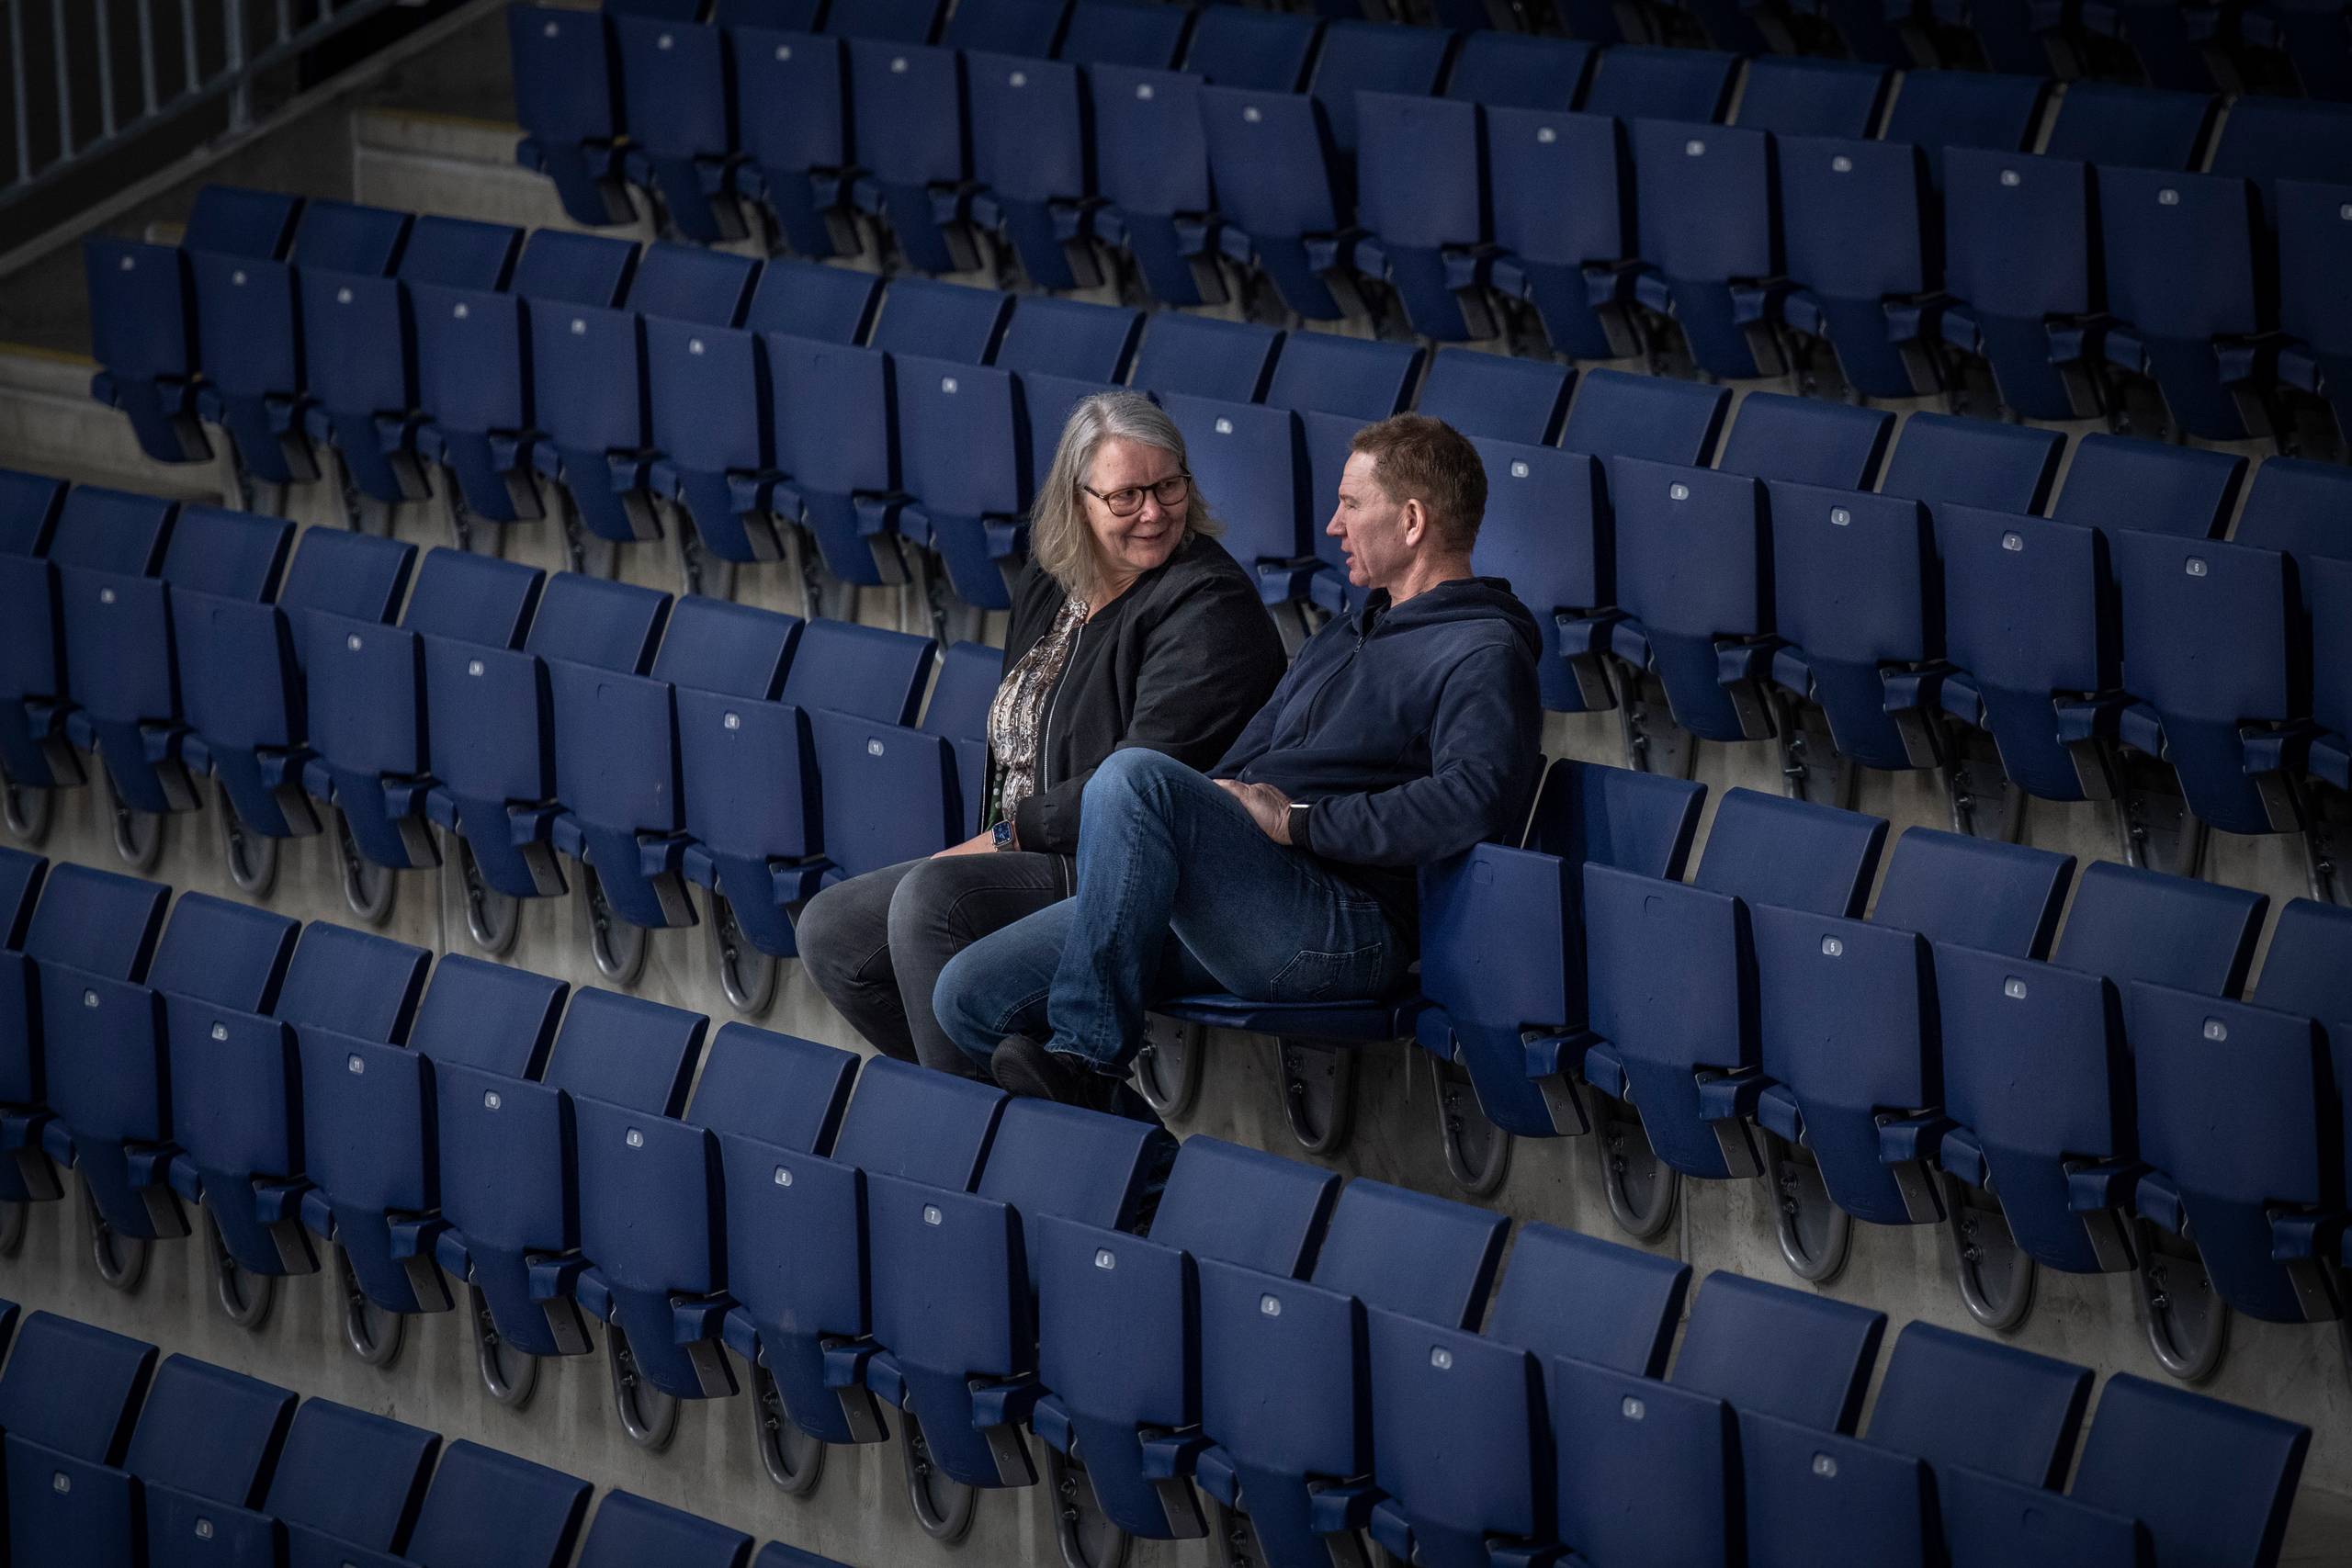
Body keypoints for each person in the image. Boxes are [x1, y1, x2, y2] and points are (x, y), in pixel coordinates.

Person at [933, 412, 1543, 1105]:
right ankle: (1141, 1160)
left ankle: (1088, 1049)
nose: (1333, 527)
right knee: (966, 996)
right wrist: (1222, 801)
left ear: (1410, 521)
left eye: (1350, 504)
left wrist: (1300, 821)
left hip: (1346, 929)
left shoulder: (1484, 651)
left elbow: (1472, 800)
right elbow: (1254, 748)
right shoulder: (1352, 628)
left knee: (1133, 777)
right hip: (1249, 896)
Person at [795, 391, 1287, 1077]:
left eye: (1169, 485)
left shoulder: (1210, 606)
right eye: (1127, 496)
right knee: (831, 931)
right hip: (1031, 856)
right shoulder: (1053, 582)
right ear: (1078, 499)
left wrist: (1003, 837)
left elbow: (1137, 785)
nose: (1154, 511)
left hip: (1125, 868)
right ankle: (1018, 1114)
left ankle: (975, 1142)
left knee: (934, 900)